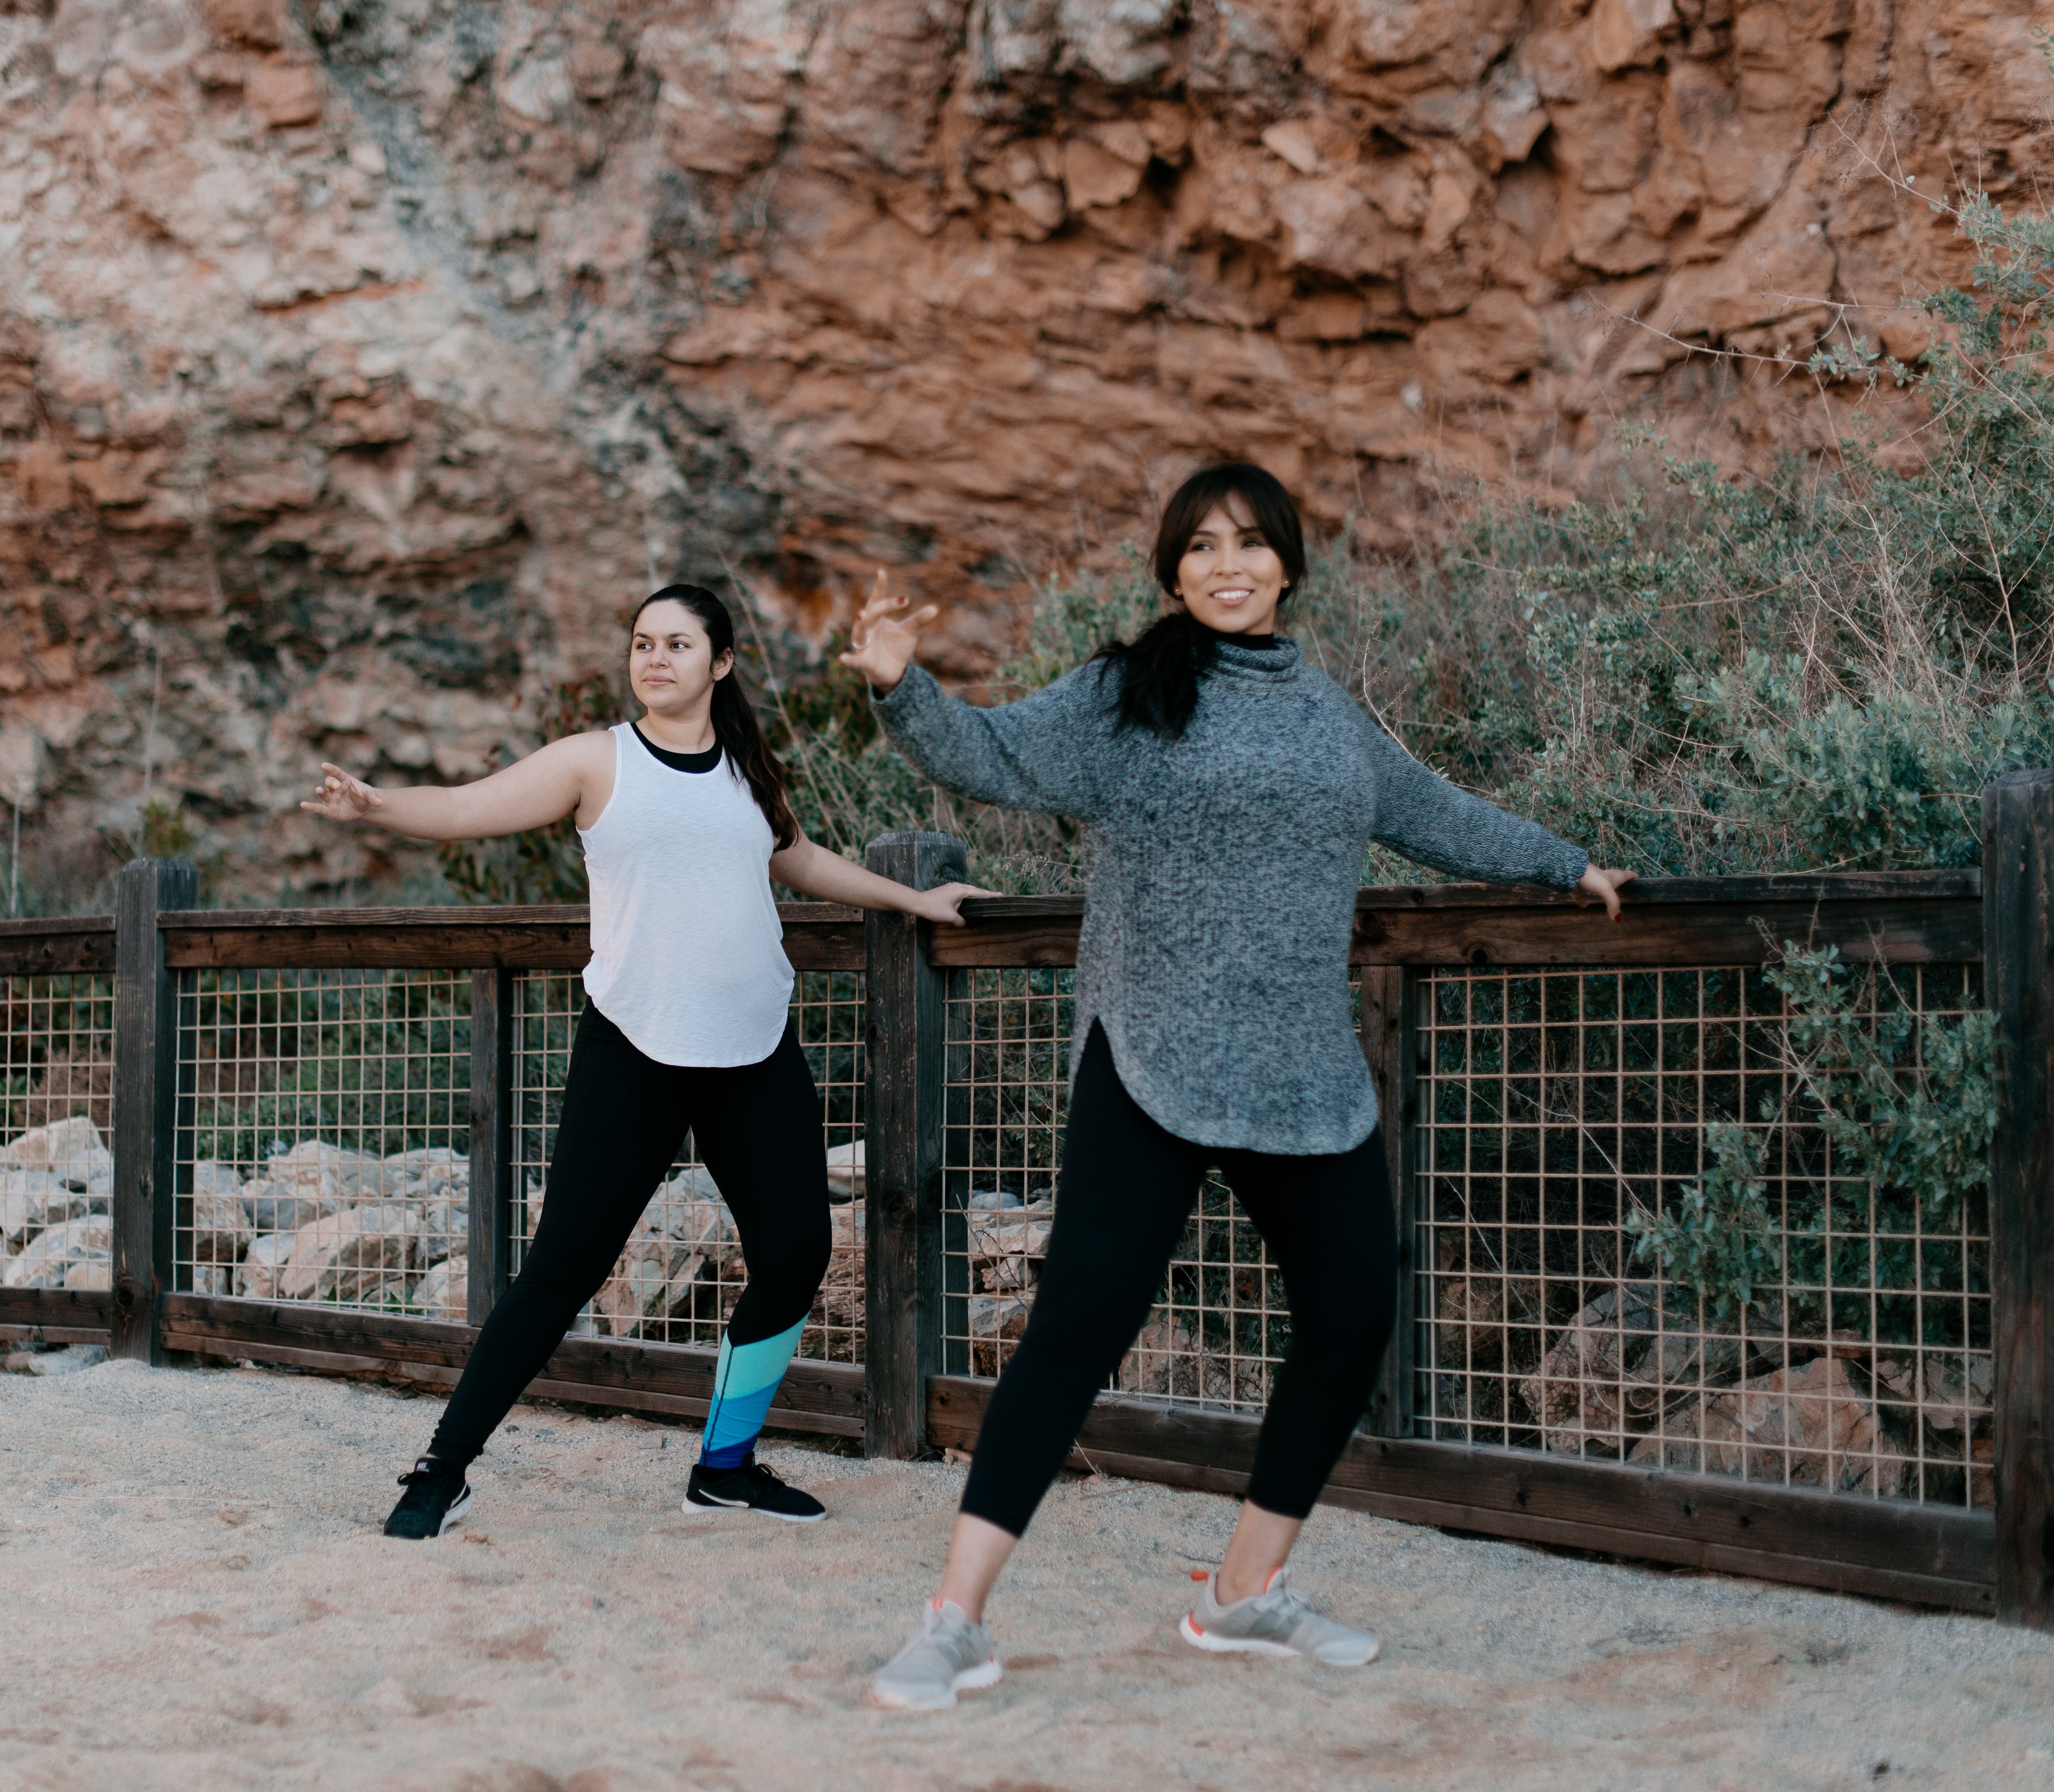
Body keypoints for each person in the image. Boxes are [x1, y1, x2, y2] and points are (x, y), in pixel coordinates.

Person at [844, 463, 1635, 1709]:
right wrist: (900, 682)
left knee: (1353, 1314)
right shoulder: (1127, 692)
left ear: (1288, 566)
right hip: (1149, 1051)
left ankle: (1244, 1590)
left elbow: (1427, 808)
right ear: (1171, 570)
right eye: (1203, 546)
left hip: (1301, 1067)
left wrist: (1559, 859)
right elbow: (993, 754)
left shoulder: (1329, 715)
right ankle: (953, 1619)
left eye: (1253, 544)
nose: (1228, 564)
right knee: (1079, 1328)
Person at [301, 583, 988, 1538]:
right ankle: (442, 1467)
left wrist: (914, 903)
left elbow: (800, 858)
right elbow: (469, 809)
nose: (654, 657)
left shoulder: (748, 769)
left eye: (677, 643)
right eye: (641, 642)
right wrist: (378, 807)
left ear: (722, 662)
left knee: (795, 1254)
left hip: (755, 1048)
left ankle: (726, 1467)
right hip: (636, 1047)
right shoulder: (598, 761)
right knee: (563, 1267)